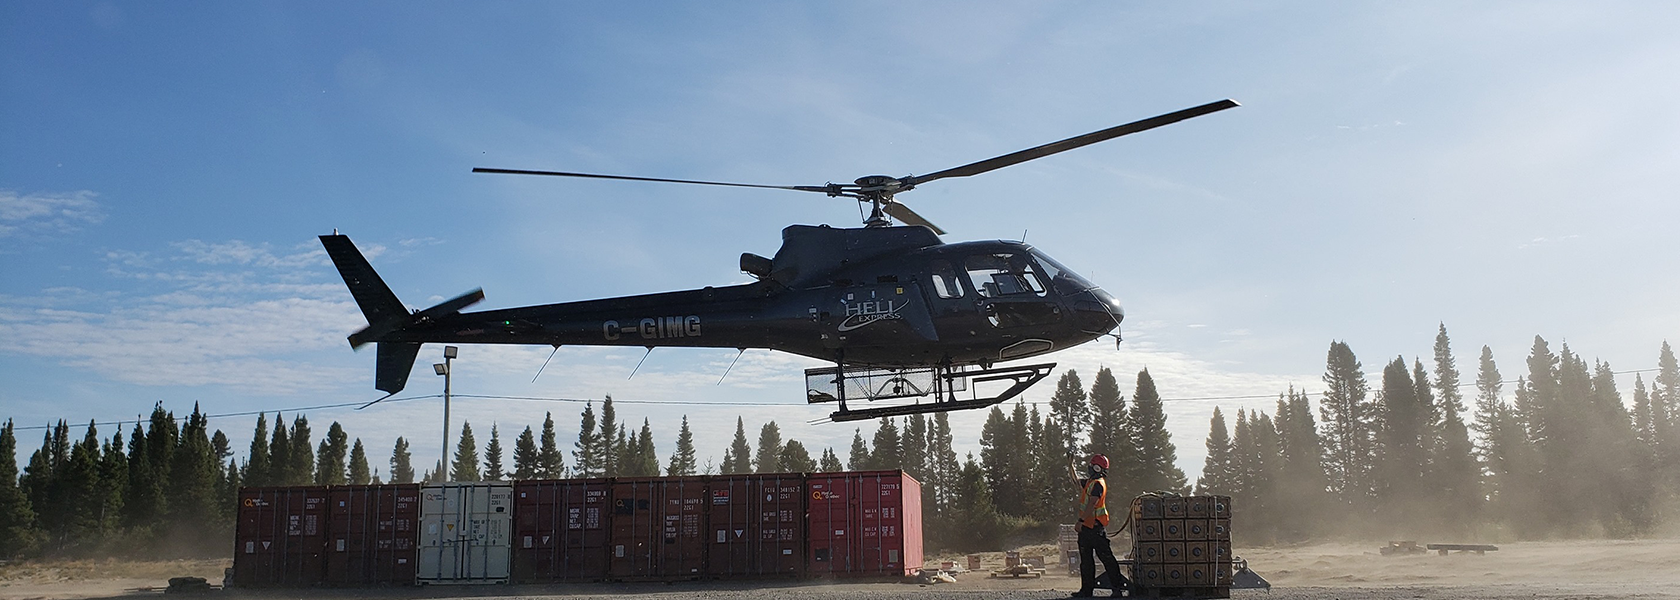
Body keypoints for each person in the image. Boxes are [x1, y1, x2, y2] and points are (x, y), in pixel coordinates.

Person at [1070, 453, 1126, 597]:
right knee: (1086, 561)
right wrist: (1071, 465)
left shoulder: (1098, 484)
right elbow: (1075, 481)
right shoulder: (1090, 482)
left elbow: (1092, 504)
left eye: (1091, 465)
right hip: (1087, 529)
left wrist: (1080, 521)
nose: (1089, 468)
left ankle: (1117, 588)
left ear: (1096, 467)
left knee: (1106, 558)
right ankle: (1086, 590)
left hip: (1094, 528)